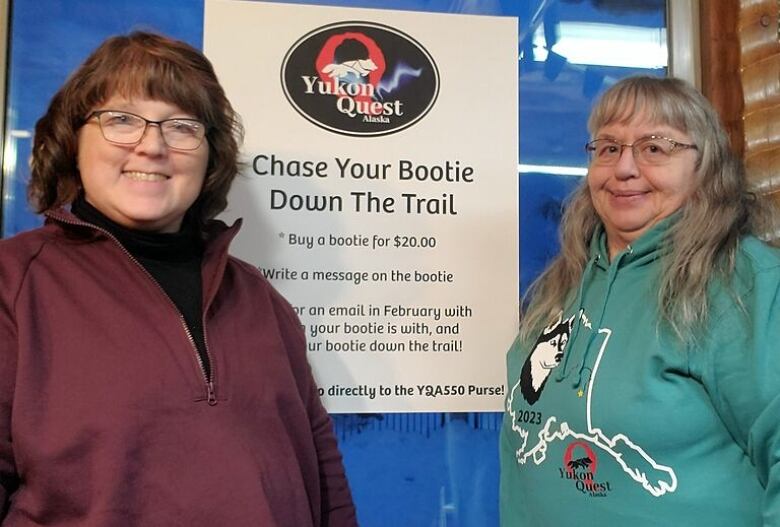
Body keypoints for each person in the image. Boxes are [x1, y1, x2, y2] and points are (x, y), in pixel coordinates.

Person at [0, 31, 357, 526]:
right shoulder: (14, 284)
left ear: (211, 154)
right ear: (71, 139)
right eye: (121, 120)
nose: (152, 146)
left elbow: (323, 478)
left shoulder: (259, 298)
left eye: (182, 126)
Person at [500, 76, 780, 526]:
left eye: (655, 148)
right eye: (608, 148)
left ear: (705, 165)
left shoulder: (745, 285)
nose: (624, 168)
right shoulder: (565, 282)